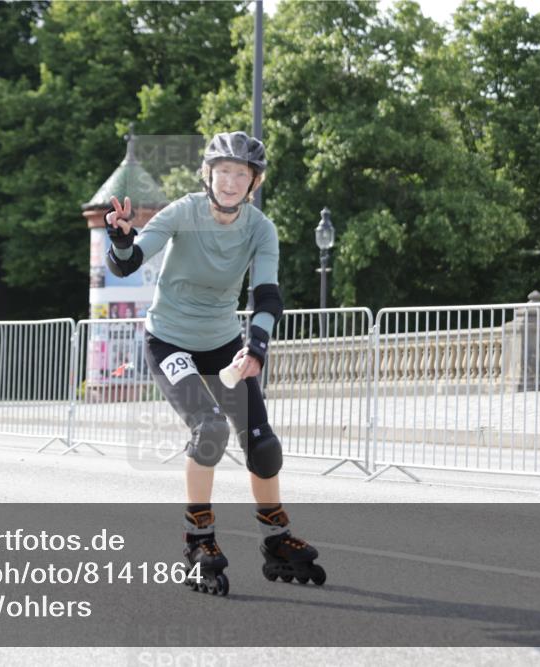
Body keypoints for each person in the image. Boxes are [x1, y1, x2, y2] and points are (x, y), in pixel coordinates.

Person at [104, 131, 325, 594]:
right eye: (222, 171)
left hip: (225, 344)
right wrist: (122, 240)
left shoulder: (261, 229)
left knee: (263, 446)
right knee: (209, 429)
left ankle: (277, 539)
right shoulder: (182, 212)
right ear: (208, 175)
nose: (229, 181)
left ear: (253, 182)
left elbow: (267, 295)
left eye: (239, 174)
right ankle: (198, 539)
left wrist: (256, 347)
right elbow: (130, 260)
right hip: (170, 343)